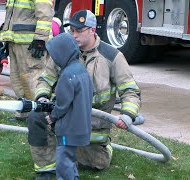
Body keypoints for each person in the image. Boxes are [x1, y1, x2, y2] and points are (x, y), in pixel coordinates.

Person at [28, 9, 141, 179]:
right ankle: (46, 169)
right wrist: (42, 97)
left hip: (93, 123)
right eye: (72, 30)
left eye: (79, 31)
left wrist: (128, 115)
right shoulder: (63, 52)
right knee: (36, 117)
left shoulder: (112, 56)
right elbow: (45, 79)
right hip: (64, 117)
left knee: (96, 162)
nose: (74, 35)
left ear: (92, 30)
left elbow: (130, 90)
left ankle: (104, 148)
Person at [45, 33, 93, 179]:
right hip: (82, 126)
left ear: (62, 54)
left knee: (64, 161)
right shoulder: (81, 69)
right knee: (70, 158)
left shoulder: (67, 75)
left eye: (54, 55)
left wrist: (52, 117)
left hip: (68, 128)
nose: (53, 58)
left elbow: (62, 105)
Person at [0, 0, 54, 120]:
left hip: (31, 44)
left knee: (32, 79)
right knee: (17, 79)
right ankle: (24, 112)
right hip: (16, 42)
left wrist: (40, 39)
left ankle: (40, 116)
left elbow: (45, 13)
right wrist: (7, 39)